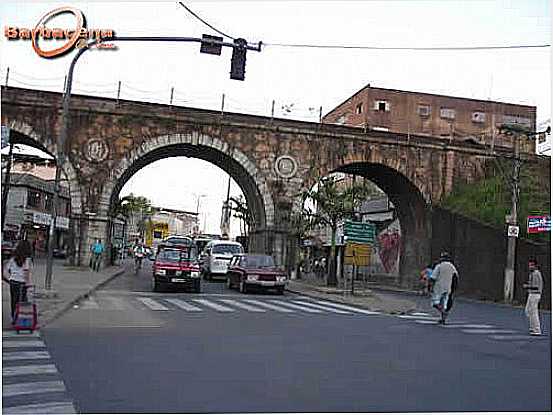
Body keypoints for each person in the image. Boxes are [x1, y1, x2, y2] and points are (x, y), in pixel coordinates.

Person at [2, 240, 33, 324]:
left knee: (14, 301)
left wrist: (10, 279)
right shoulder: (27, 260)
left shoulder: (13, 259)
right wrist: (28, 284)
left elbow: (5, 271)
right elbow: (26, 273)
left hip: (13, 282)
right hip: (22, 283)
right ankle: (21, 318)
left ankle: (14, 317)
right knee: (22, 302)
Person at [428, 251, 459, 325]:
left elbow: (433, 277)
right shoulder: (452, 266)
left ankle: (443, 312)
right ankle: (443, 319)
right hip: (448, 287)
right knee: (444, 303)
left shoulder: (439, 266)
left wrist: (429, 286)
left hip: (439, 287)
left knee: (435, 303)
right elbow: (456, 277)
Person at [523, 259, 543, 336]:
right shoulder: (532, 274)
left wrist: (527, 286)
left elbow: (536, 287)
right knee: (528, 311)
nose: (530, 266)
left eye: (532, 265)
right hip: (531, 294)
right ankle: (532, 328)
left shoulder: (536, 274)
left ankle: (537, 330)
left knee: (534, 312)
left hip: (535, 295)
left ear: (535, 266)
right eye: (529, 265)